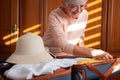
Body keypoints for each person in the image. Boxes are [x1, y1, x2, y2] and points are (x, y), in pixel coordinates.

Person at [43, 0, 113, 60]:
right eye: (73, 6)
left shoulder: (84, 13)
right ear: (64, 4)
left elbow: (80, 37)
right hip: (50, 53)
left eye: (82, 6)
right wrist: (94, 52)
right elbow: (63, 45)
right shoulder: (55, 15)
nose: (79, 11)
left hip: (68, 53)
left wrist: (88, 56)